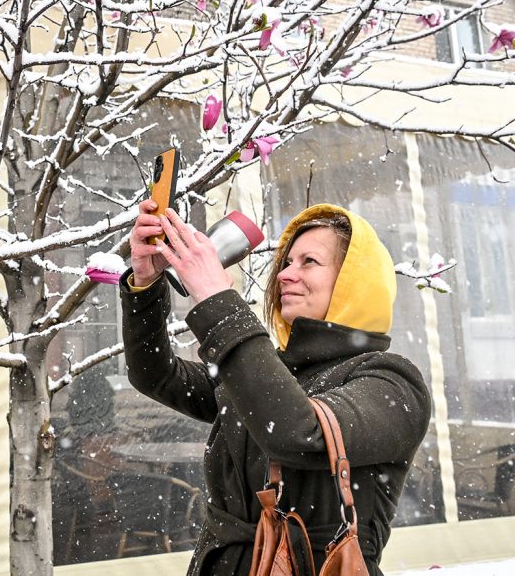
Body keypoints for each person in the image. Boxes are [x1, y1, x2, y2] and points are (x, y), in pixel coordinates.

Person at [122, 200, 431, 576]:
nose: (285, 275)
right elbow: (157, 374)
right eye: (286, 263)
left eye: (309, 262)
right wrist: (145, 283)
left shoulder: (392, 381)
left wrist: (219, 300)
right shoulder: (270, 371)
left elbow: (298, 433)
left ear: (355, 280)